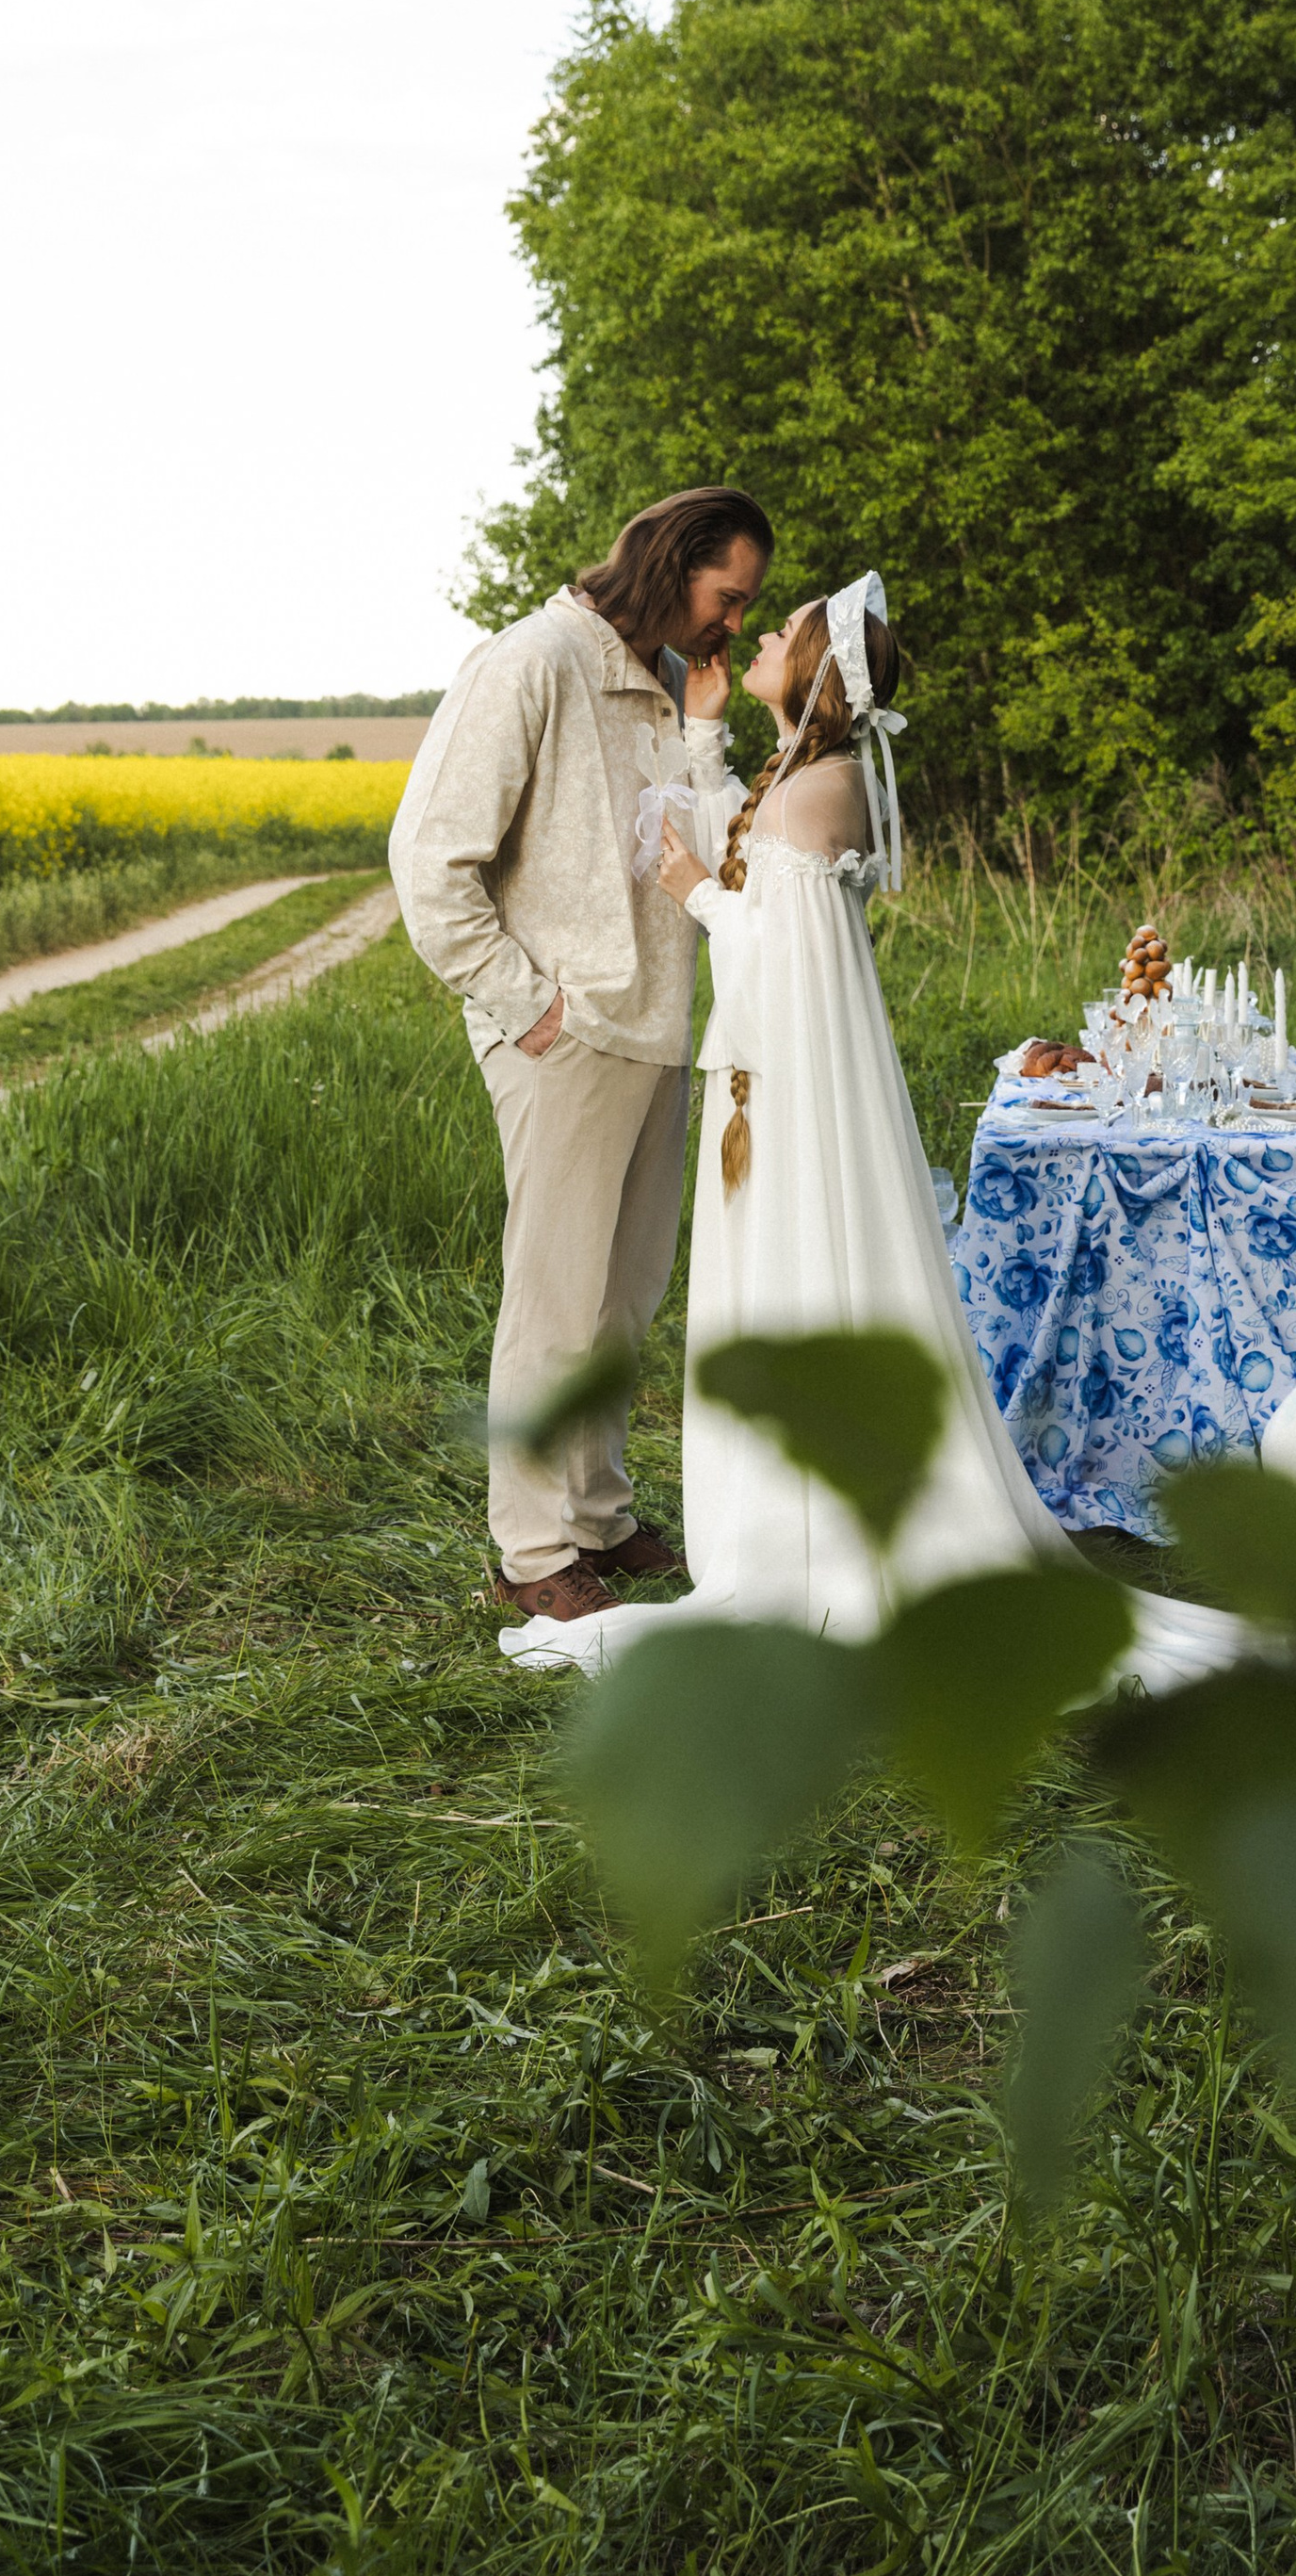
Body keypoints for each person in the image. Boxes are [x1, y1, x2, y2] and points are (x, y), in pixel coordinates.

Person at [499, 572, 1239, 1691]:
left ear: (813, 672)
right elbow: (752, 854)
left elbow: (775, 948)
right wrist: (704, 746)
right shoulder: (808, 777)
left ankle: (798, 1540)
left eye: (781, 632)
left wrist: (696, 890)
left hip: (785, 1088)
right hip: (777, 1081)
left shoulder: (817, 792)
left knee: (792, 1274)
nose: (758, 635)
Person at [390, 485, 771, 1626]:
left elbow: (708, 855)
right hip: (564, 1032)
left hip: (659, 1026)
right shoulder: (532, 660)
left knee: (622, 1300)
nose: (737, 627)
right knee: (555, 1302)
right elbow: (429, 863)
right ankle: (532, 1548)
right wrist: (528, 1006)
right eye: (728, 598)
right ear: (671, 562)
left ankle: (599, 1516)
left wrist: (705, 721)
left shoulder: (657, 677)